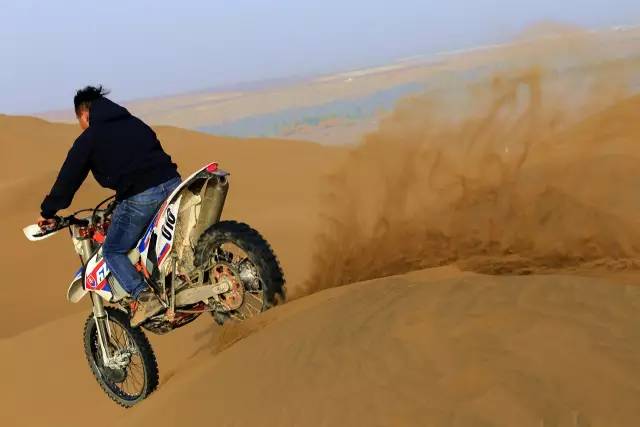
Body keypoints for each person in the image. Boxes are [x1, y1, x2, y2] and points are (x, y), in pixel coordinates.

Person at [38, 85, 181, 325]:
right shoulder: (134, 123)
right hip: (174, 184)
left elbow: (69, 177)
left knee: (112, 250)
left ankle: (144, 297)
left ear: (84, 114)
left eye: (79, 121)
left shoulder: (91, 137)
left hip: (142, 196)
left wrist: (48, 211)